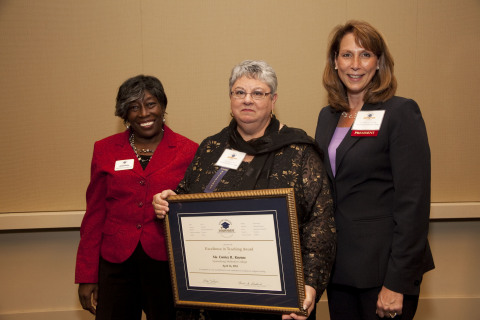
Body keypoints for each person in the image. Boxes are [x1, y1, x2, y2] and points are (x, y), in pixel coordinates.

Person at [153, 60, 336, 320]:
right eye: (239, 92)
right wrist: (167, 202)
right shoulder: (210, 148)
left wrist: (309, 285)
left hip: (278, 300)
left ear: (273, 100)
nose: (247, 100)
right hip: (214, 297)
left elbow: (320, 225)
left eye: (257, 93)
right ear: (230, 98)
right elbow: (184, 202)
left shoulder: (299, 152)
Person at [315, 20, 434, 320]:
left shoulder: (401, 113)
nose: (355, 64)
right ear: (334, 62)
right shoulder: (328, 116)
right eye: (346, 55)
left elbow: (413, 204)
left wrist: (397, 282)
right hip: (340, 271)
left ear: (379, 62)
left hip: (384, 273)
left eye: (365, 55)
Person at [75, 75, 198, 320]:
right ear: (124, 114)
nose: (143, 113)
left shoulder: (189, 150)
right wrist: (87, 275)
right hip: (116, 263)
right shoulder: (105, 149)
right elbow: (95, 215)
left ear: (162, 107)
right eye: (134, 107)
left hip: (167, 262)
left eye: (150, 104)